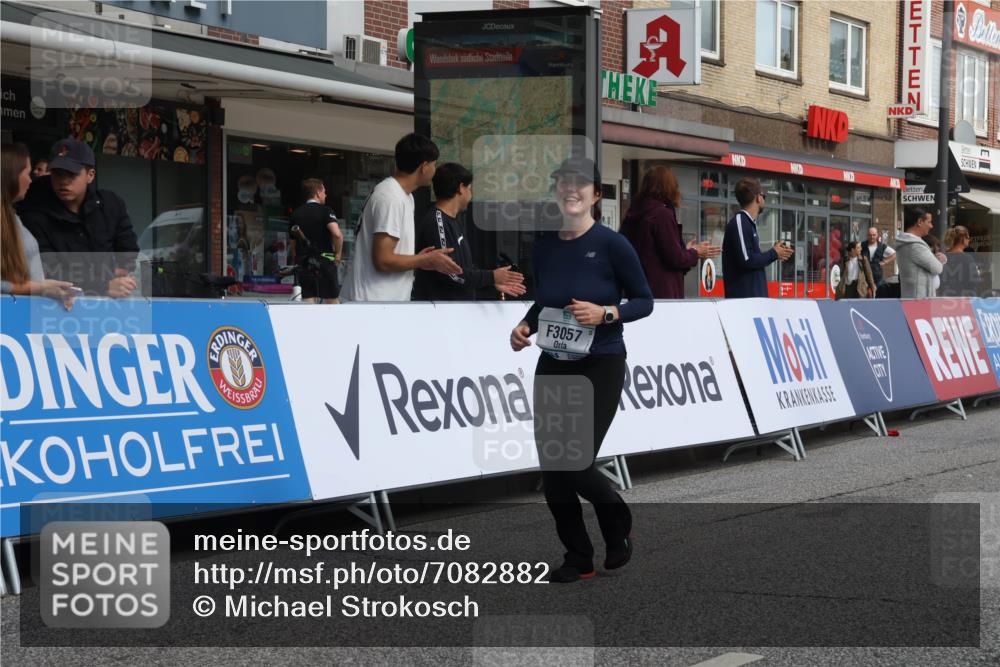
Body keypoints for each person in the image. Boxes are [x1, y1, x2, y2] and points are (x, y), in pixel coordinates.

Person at [509, 156, 653, 584]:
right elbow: (545, 301)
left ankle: (616, 519)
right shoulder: (546, 245)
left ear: (596, 193)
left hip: (602, 362)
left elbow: (644, 301)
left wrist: (606, 313)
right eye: (563, 184)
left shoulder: (613, 244)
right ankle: (578, 557)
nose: (570, 190)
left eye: (580, 184)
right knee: (553, 470)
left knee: (573, 461)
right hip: (553, 363)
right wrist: (524, 326)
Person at [341, 133, 461, 302]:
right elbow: (383, 260)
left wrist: (422, 259)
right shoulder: (391, 197)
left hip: (383, 302)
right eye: (434, 164)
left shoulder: (403, 196)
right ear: (424, 166)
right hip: (372, 303)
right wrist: (423, 260)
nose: (435, 170)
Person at [18, 138, 139, 297]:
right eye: (57, 174)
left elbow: (128, 252)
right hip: (57, 307)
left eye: (71, 174)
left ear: (90, 175)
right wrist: (104, 284)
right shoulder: (34, 214)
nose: (63, 181)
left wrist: (118, 280)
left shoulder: (111, 205)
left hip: (110, 307)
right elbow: (47, 270)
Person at [412, 162, 525, 300]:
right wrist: (492, 276)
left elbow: (465, 269)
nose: (471, 194)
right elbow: (452, 275)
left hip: (458, 311)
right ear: (461, 188)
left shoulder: (453, 220)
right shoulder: (437, 222)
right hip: (442, 314)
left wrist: (492, 281)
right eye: (470, 188)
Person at [620, 165, 719, 298]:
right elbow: (674, 258)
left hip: (637, 291)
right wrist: (696, 252)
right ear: (669, 187)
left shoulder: (634, 213)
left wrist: (686, 251)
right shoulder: (662, 214)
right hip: (662, 293)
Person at [1, 143, 75, 307]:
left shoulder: (12, 218)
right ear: (10, 176)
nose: (30, 180)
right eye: (27, 173)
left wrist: (49, 289)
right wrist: (40, 288)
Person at [721, 177, 793, 298]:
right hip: (744, 302)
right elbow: (747, 260)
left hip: (754, 301)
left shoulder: (748, 223)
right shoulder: (740, 221)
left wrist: (775, 253)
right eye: (764, 196)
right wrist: (773, 253)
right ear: (758, 197)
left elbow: (752, 259)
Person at [289, 178, 343, 304]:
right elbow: (337, 234)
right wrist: (338, 254)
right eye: (324, 191)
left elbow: (293, 243)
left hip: (305, 263)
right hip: (325, 261)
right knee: (332, 302)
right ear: (318, 193)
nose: (326, 194)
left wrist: (297, 259)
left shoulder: (296, 214)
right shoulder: (326, 210)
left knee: (308, 301)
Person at [895, 207, 946, 298]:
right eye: (929, 222)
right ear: (919, 222)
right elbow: (937, 268)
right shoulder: (915, 245)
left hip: (911, 297)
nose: (931, 226)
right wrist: (940, 260)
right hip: (920, 300)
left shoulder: (906, 243)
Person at [940, 225, 981, 297]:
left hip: (942, 297)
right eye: (968, 237)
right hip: (962, 298)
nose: (969, 240)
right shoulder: (967, 258)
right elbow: (974, 282)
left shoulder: (942, 257)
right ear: (963, 239)